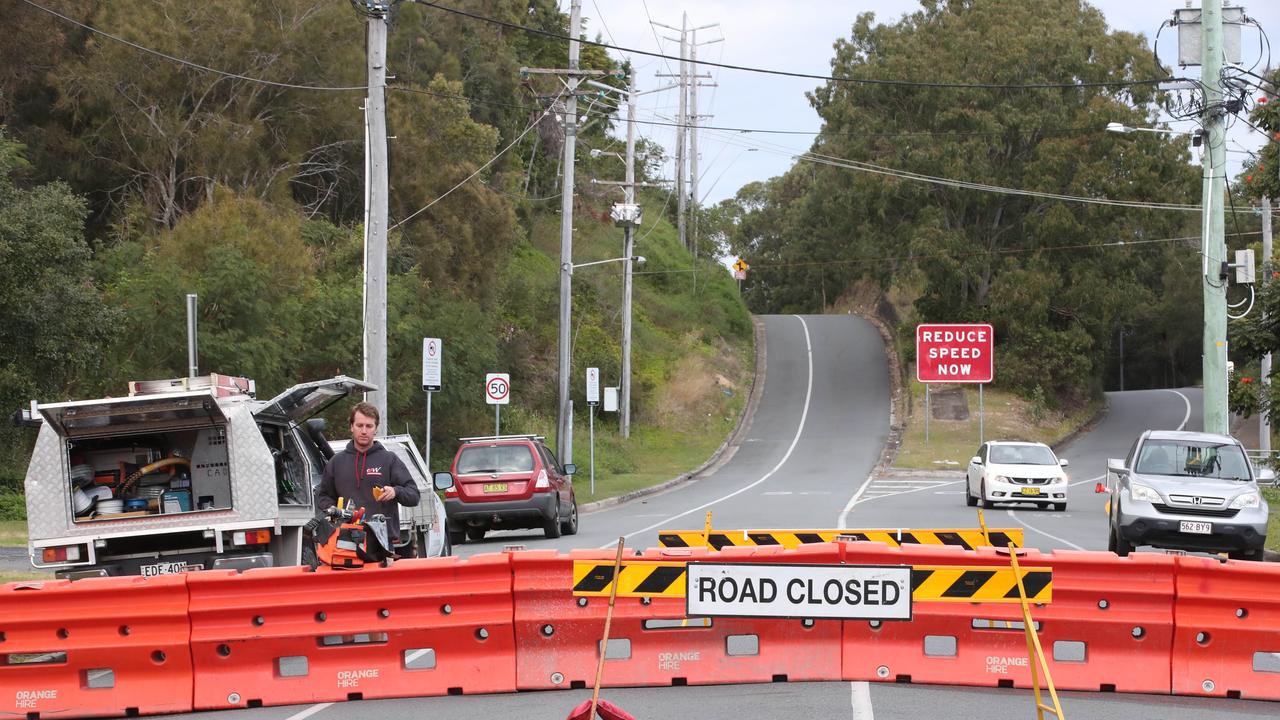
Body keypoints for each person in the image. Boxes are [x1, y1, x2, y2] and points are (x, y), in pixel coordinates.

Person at [315, 401, 420, 537]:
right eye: (359, 425)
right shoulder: (336, 462)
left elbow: (414, 496)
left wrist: (395, 491)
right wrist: (333, 510)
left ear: (376, 429)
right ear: (351, 427)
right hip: (345, 540)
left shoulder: (389, 459)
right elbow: (323, 497)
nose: (364, 431)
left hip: (382, 542)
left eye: (369, 426)